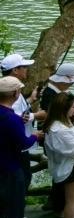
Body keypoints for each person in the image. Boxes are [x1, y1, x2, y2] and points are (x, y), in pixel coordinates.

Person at [38, 62, 74, 218]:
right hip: (57, 137)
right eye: (71, 80)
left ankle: (58, 203)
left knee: (64, 174)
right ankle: (60, 207)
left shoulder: (52, 92)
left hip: (60, 135)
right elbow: (54, 115)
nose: (72, 83)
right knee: (63, 174)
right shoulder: (50, 94)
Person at [0, 76, 37, 218]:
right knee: (14, 206)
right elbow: (23, 144)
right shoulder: (12, 119)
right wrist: (35, 135)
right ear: (15, 93)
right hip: (10, 168)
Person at [0, 54, 37, 209]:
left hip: (16, 145)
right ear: (15, 70)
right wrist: (37, 116)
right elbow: (14, 117)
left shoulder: (9, 89)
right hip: (18, 146)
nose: (26, 70)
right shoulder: (11, 89)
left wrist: (30, 101)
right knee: (22, 179)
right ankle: (12, 215)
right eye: (24, 67)